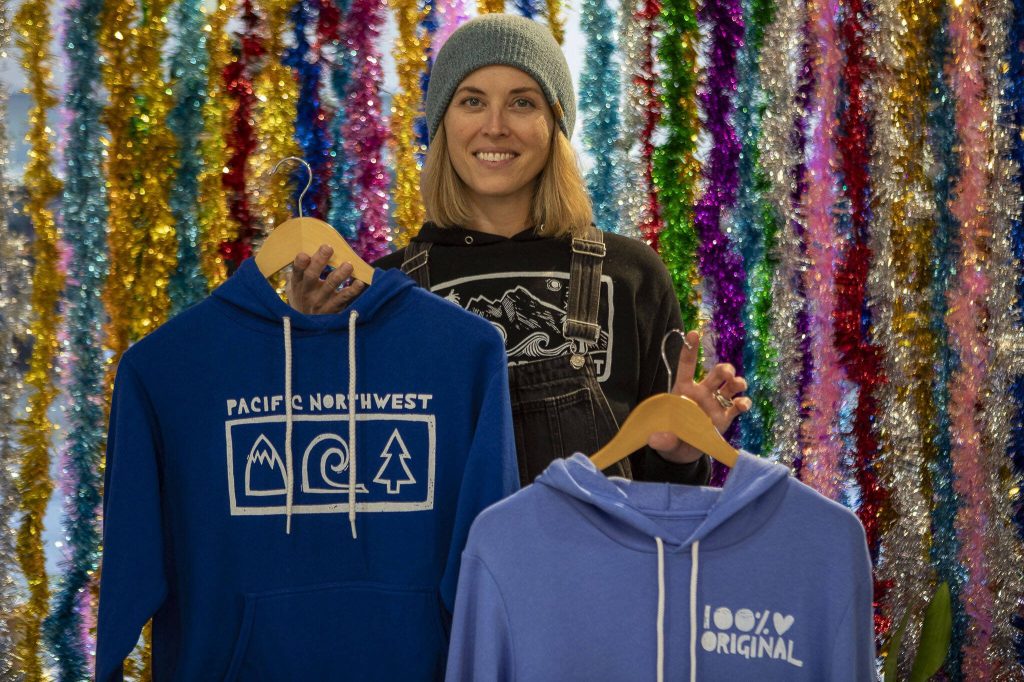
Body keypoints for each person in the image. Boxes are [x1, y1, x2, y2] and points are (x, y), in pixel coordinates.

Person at [287, 13, 751, 485]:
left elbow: (662, 502)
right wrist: (307, 351)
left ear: (555, 126)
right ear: (443, 125)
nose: (495, 127)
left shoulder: (631, 274)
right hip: (445, 561)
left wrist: (682, 452)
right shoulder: (382, 288)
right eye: (471, 101)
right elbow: (348, 480)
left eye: (522, 103)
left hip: (594, 560)